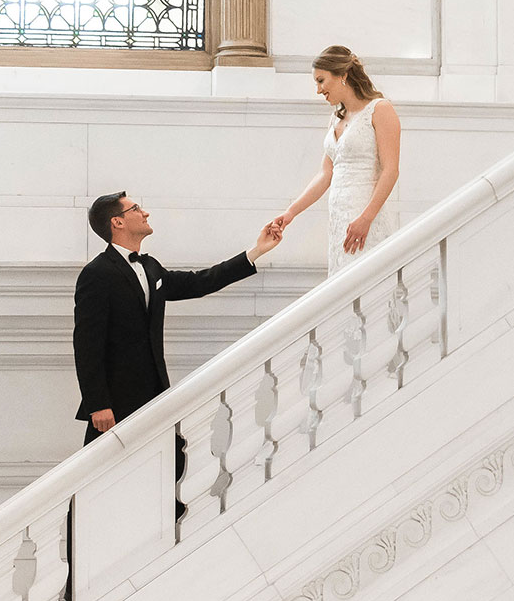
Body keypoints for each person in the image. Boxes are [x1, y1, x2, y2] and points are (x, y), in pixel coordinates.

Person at [73, 192, 283, 444]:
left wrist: (256, 251)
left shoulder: (150, 267)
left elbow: (199, 282)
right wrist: (98, 405)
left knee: (167, 469)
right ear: (117, 222)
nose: (145, 213)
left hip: (155, 396)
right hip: (114, 406)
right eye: (136, 209)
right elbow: (87, 345)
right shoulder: (96, 273)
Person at [273, 45, 401, 274]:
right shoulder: (335, 119)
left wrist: (366, 219)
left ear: (343, 75)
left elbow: (390, 171)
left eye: (321, 81)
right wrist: (290, 212)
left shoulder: (380, 110)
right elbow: (325, 175)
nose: (318, 90)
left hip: (365, 219)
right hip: (339, 221)